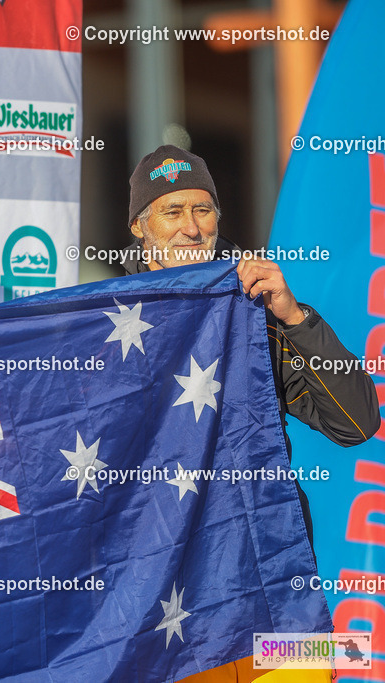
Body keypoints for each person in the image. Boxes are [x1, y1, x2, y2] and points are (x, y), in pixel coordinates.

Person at [122, 144, 380, 683]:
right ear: (140, 229)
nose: (191, 228)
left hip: (278, 583)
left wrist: (294, 316)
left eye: (203, 209)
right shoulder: (107, 324)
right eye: (172, 212)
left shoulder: (255, 307)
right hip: (172, 606)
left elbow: (359, 423)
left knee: (330, 671)